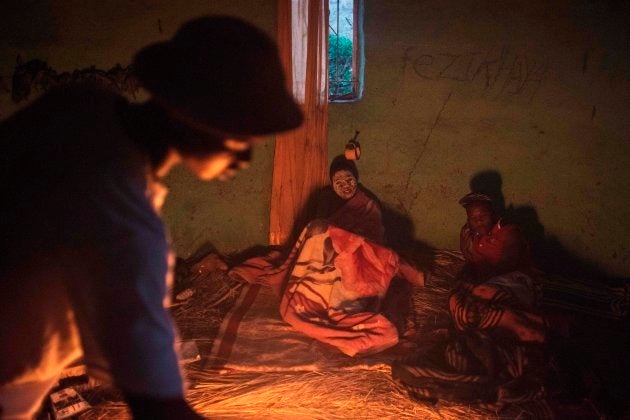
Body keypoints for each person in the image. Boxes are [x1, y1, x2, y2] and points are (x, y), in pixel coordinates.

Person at [0, 16, 302, 419]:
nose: (245, 158)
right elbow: (157, 406)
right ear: (189, 111)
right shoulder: (126, 226)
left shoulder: (80, 103)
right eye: (238, 136)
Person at [229, 156, 424, 356]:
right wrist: (333, 240)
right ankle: (315, 295)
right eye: (338, 182)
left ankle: (345, 310)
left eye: (349, 180)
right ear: (332, 185)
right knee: (317, 233)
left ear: (356, 180)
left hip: (359, 257)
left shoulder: (367, 202)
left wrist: (348, 242)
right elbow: (321, 229)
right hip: (331, 257)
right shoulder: (327, 200)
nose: (345, 186)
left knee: (360, 267)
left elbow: (375, 236)